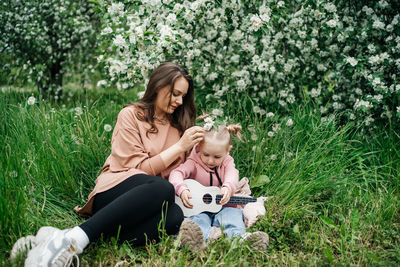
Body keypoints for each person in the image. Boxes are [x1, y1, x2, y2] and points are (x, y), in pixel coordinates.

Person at [12, 62, 206, 266]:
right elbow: (137, 169)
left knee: (174, 216)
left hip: (148, 202)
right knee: (162, 188)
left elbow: (187, 173)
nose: (179, 100)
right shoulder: (131, 115)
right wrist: (178, 147)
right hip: (116, 190)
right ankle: (74, 239)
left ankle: (62, 240)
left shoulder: (179, 128)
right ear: (158, 86)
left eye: (183, 96)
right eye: (175, 93)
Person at [169, 117, 269, 251]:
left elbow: (232, 174)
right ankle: (193, 241)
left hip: (224, 206)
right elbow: (176, 173)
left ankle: (243, 240)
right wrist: (182, 189)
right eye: (206, 155)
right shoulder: (193, 163)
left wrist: (228, 187)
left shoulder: (227, 162)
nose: (210, 161)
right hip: (199, 208)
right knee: (199, 221)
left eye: (217, 157)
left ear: (228, 150)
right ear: (198, 148)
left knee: (232, 217)